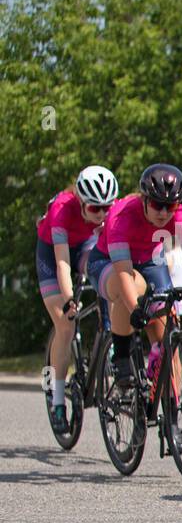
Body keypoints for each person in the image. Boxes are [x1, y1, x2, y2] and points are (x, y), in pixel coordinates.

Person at [86, 164, 182, 454]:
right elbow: (124, 273)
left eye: (170, 205)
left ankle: (171, 421)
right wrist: (137, 309)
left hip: (150, 261)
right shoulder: (122, 216)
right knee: (132, 287)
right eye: (158, 205)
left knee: (167, 341)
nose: (164, 212)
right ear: (144, 200)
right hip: (107, 264)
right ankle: (122, 355)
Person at [36, 166, 118, 435]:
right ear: (81, 202)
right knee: (66, 325)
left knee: (106, 277)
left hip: (83, 246)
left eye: (107, 207)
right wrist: (70, 299)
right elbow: (62, 263)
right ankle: (58, 400)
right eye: (95, 209)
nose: (102, 215)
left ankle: (111, 342)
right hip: (52, 253)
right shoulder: (62, 209)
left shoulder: (108, 213)